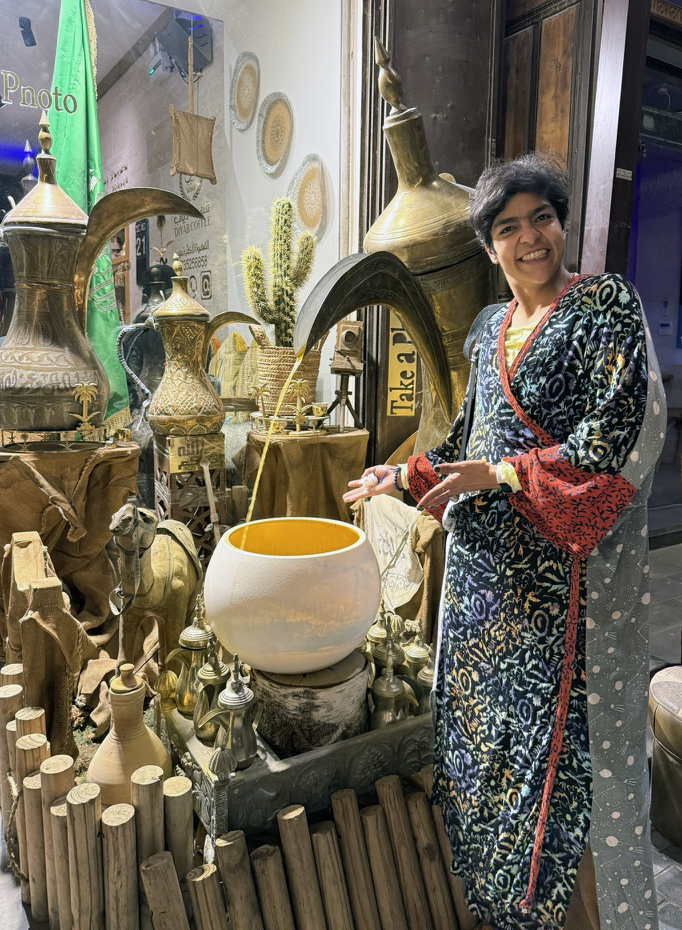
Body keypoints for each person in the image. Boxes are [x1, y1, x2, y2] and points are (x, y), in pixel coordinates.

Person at [344, 153, 666, 930]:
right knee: (484, 737)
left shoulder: (605, 309)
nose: (530, 239)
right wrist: (406, 477)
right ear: (489, 248)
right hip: (484, 587)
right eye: (508, 227)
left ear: (562, 225)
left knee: (560, 761)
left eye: (542, 219)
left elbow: (624, 427)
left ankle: (558, 905)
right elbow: (469, 440)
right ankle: (493, 896)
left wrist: (510, 475)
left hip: (562, 586)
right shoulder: (490, 327)